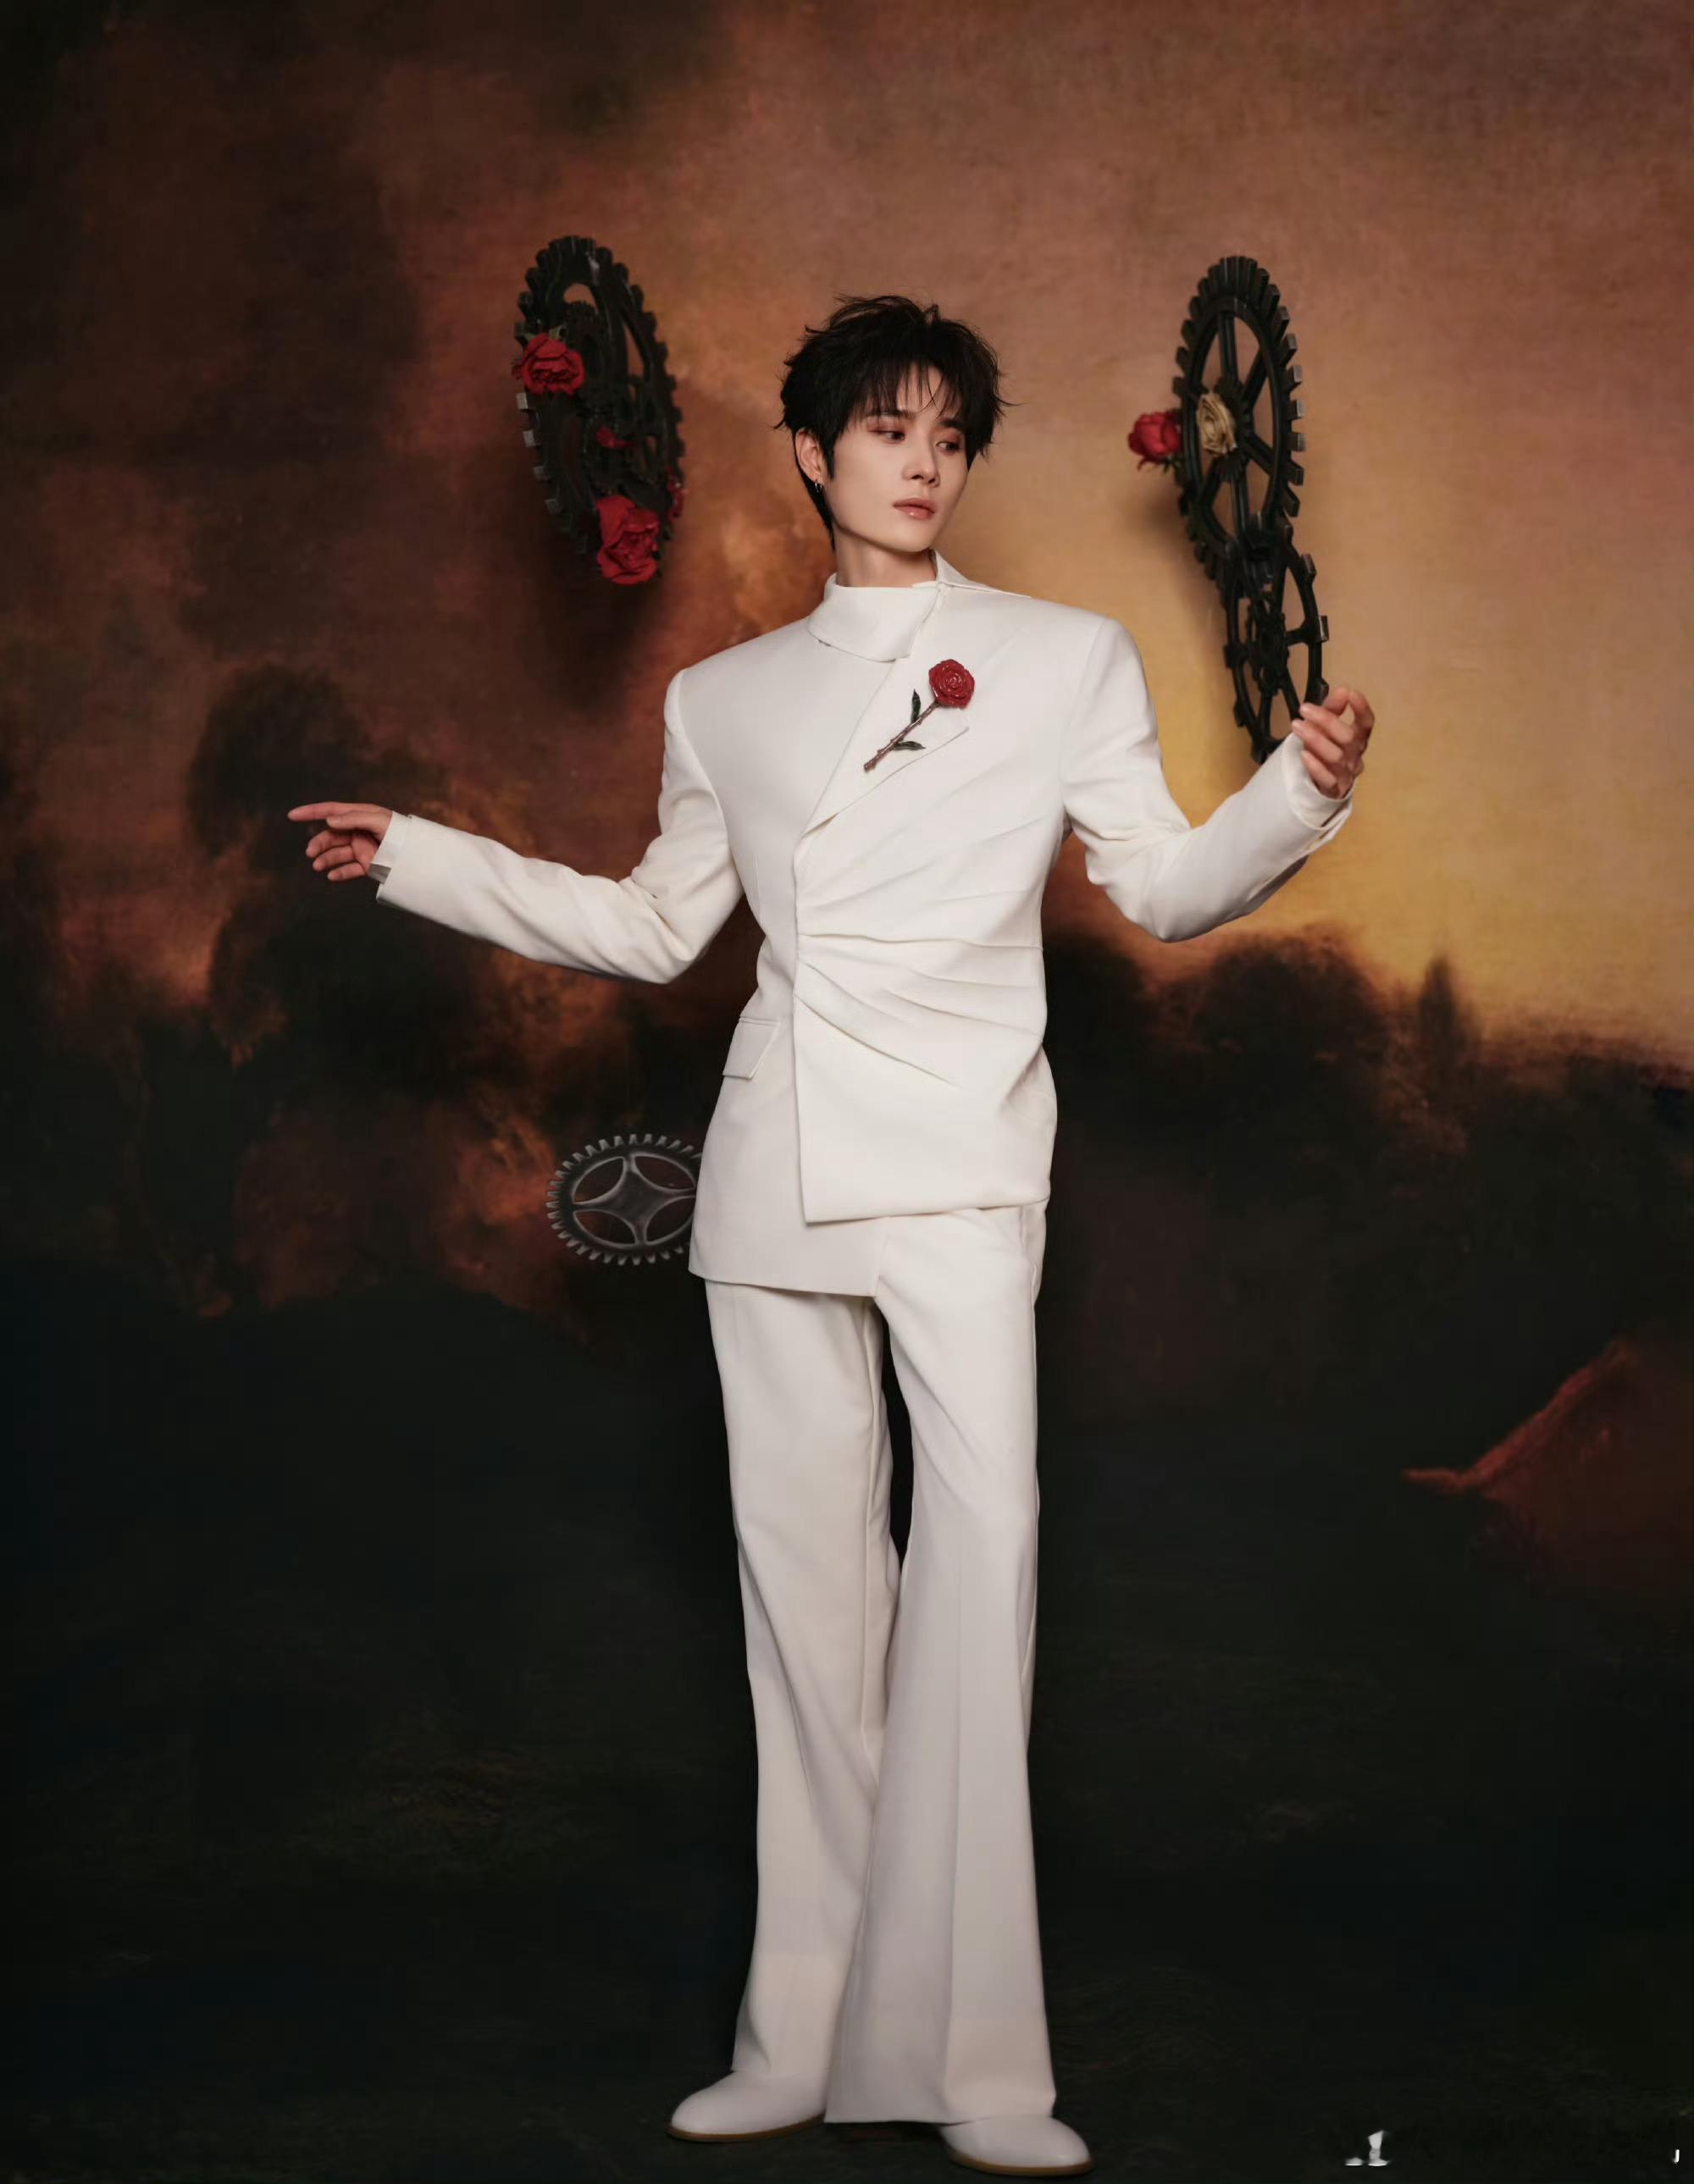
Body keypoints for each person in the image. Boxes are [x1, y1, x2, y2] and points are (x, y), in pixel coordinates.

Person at [288, 293, 1373, 2178]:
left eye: (949, 434)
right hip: (775, 1177)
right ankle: (793, 2041)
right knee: (802, 1617)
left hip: (962, 1173)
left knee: (981, 1581)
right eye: (887, 428)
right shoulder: (721, 700)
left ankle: (984, 2066)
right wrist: (424, 859)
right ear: (813, 452)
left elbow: (1165, 887)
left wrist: (1300, 793)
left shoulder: (1065, 658)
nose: (922, 460)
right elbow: (652, 927)